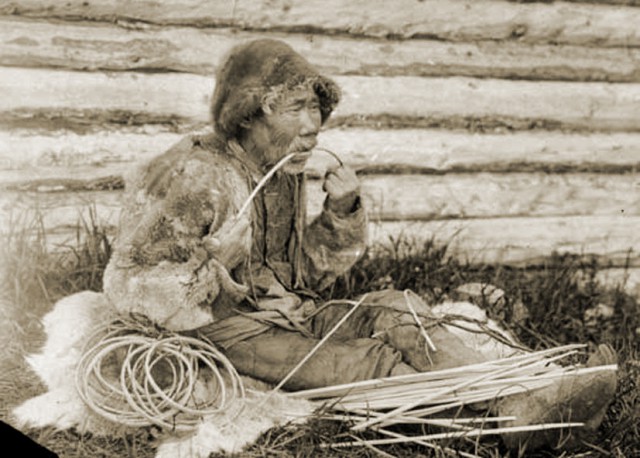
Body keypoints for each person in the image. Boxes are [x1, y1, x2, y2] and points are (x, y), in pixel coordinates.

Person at [102, 39, 617, 450]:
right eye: (296, 108)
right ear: (248, 115)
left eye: (316, 107)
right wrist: (215, 262)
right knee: (363, 363)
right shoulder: (193, 174)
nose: (313, 126)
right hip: (223, 331)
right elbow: (129, 285)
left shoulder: (278, 172)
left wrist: (340, 213)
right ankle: (509, 419)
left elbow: (301, 275)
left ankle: (516, 397)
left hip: (290, 315)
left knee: (400, 309)